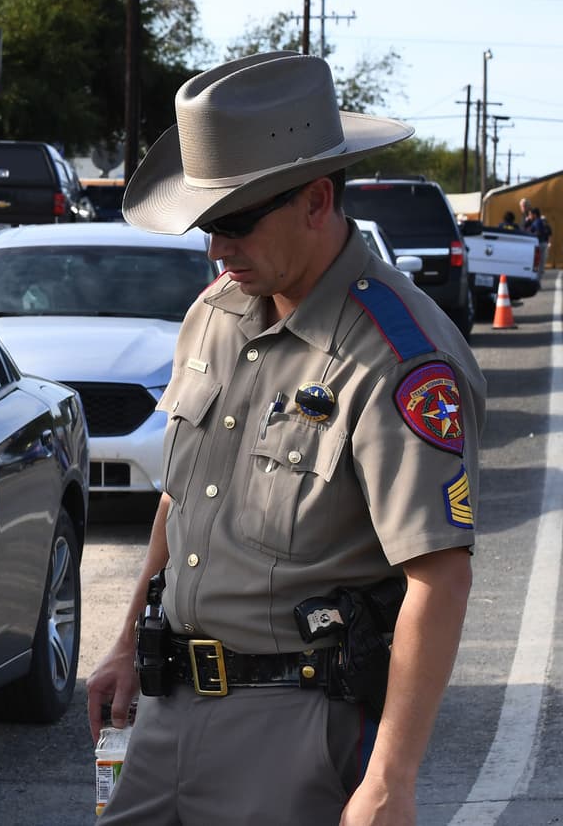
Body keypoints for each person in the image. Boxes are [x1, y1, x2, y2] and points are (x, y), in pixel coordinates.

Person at [86, 52, 486, 825]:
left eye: (234, 223)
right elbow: (183, 495)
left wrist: (389, 780)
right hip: (169, 712)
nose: (215, 249)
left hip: (296, 727)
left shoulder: (399, 356)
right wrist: (128, 638)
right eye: (207, 224)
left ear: (316, 200)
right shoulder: (216, 311)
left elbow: (439, 575)